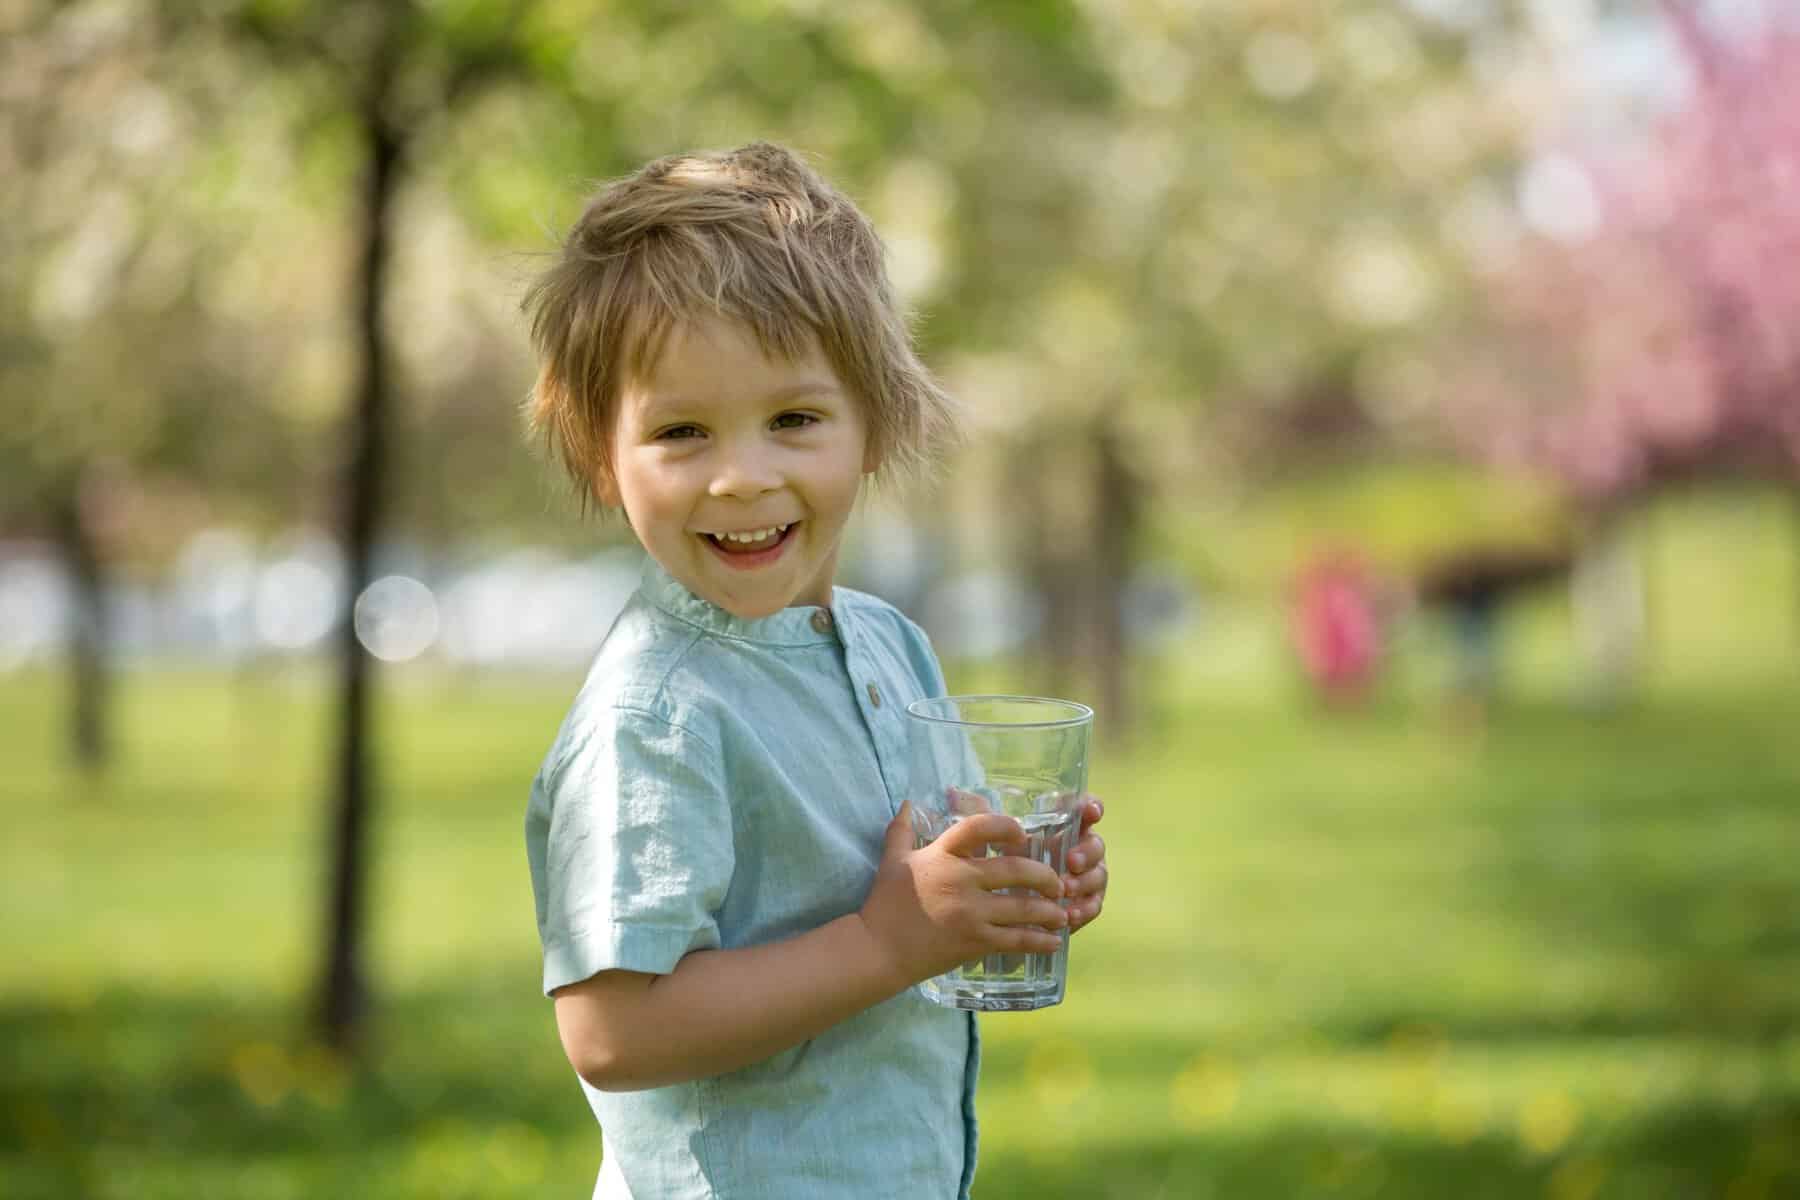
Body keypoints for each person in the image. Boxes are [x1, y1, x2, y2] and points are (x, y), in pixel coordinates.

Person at [519, 142, 1110, 1200]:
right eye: (681, 431)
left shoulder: (891, 646)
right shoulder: (657, 712)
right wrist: (888, 944)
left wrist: (1010, 891)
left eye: (793, 419)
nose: (743, 476)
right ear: (601, 459)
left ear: (875, 423)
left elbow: (926, 881)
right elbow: (610, 1029)